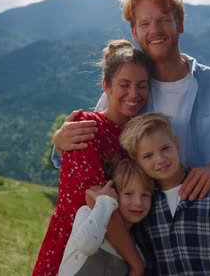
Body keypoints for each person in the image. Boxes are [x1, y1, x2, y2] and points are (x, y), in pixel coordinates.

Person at [52, 0, 210, 201]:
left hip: (204, 215)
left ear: (179, 24)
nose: (154, 30)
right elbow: (93, 144)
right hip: (142, 220)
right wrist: (60, 145)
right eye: (144, 23)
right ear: (134, 32)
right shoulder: (129, 91)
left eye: (163, 20)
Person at [32, 40, 152, 276]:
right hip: (76, 249)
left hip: (114, 253)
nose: (134, 94)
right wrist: (136, 262)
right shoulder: (86, 128)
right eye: (124, 85)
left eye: (142, 85)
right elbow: (98, 203)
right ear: (106, 86)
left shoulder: (136, 137)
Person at [120, 112, 210, 275]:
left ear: (177, 146)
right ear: (136, 161)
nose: (160, 159)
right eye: (148, 155)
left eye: (165, 149)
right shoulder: (145, 202)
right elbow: (148, 262)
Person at [59, 159, 154, 276]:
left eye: (145, 195)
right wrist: (105, 202)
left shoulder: (136, 249)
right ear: (114, 193)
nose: (138, 202)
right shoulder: (87, 213)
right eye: (128, 194)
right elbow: (86, 245)